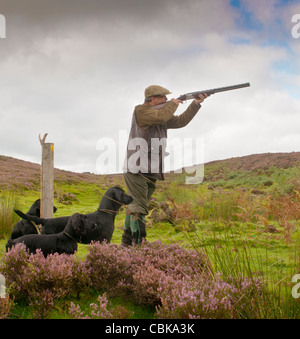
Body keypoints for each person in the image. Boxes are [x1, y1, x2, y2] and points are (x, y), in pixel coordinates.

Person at [121, 85, 209, 246]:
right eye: (163, 97)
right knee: (138, 206)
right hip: (137, 167)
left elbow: (181, 121)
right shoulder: (141, 111)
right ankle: (138, 246)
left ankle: (126, 244)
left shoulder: (160, 114)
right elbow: (160, 117)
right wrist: (174, 103)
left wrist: (195, 104)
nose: (166, 100)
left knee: (137, 205)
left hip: (151, 168)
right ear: (152, 99)